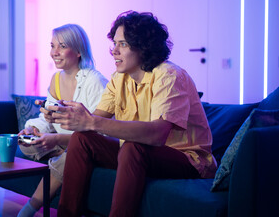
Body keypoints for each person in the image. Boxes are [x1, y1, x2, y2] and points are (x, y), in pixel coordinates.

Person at [48, 11, 217, 217]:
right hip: (139, 154)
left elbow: (157, 135)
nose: (114, 51)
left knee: (132, 146)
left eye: (123, 44)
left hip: (186, 160)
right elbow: (93, 121)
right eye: (115, 44)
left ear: (144, 48)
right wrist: (65, 116)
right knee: (83, 139)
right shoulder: (119, 79)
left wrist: (92, 121)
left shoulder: (169, 76)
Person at [17, 24, 108, 217]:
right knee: (24, 142)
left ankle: (28, 209)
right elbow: (47, 118)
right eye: (52, 46)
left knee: (68, 155)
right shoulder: (56, 79)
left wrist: (57, 139)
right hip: (61, 142)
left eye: (62, 46)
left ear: (78, 51)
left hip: (86, 144)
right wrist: (33, 128)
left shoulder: (94, 81)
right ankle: (60, 152)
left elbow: (99, 132)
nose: (54, 52)